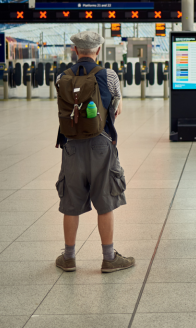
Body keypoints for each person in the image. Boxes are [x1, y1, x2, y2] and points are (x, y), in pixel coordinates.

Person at [53, 31, 133, 274]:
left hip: (71, 146)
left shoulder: (61, 77)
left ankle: (68, 258)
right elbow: (116, 107)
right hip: (101, 144)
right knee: (105, 200)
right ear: (98, 51)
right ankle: (109, 258)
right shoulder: (108, 76)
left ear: (75, 51)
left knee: (71, 202)